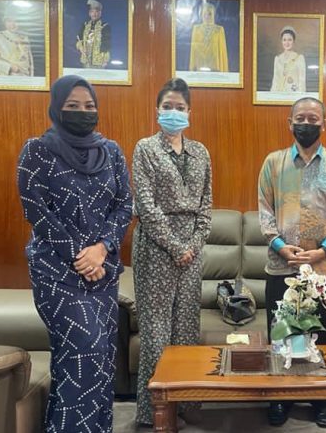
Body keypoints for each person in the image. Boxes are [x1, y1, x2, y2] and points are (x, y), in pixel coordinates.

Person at [17, 75, 132, 432]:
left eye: (89, 106)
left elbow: (124, 205)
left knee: (100, 361)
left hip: (103, 271)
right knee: (84, 352)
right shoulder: (36, 151)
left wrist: (101, 249)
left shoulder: (111, 152)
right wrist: (80, 258)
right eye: (72, 106)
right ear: (56, 108)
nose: (83, 112)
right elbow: (36, 211)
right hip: (56, 273)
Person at [258, 97, 326, 428]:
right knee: (282, 335)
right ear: (290, 123)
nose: (306, 123)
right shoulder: (273, 162)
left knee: (321, 338)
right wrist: (281, 247)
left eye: (313, 118)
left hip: (325, 268)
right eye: (300, 118)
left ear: (324, 124)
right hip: (281, 266)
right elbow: (264, 211)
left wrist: (323, 251)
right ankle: (280, 398)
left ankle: (323, 400)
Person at [132, 77, 213, 427]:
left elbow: (206, 206)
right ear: (157, 110)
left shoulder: (201, 152)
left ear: (190, 112)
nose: (174, 112)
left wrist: (193, 245)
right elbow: (146, 207)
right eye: (168, 106)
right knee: (156, 334)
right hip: (156, 247)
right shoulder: (145, 149)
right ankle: (154, 414)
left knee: (186, 331)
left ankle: (185, 405)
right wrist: (176, 246)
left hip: (191, 251)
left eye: (180, 107)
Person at [0, 8, 33, 76]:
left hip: (25, 76)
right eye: (9, 21)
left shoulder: (25, 37)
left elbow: (30, 61)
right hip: (7, 75)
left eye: (16, 21)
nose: (13, 24)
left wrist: (31, 77)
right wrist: (9, 67)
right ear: (4, 22)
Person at [189, 1, 228, 72]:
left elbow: (222, 52)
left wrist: (224, 71)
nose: (207, 16)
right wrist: (192, 70)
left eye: (209, 14)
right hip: (199, 69)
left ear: (213, 15)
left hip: (215, 69)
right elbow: (193, 52)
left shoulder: (219, 30)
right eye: (205, 14)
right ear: (201, 14)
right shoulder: (196, 29)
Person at [77, 0, 111, 69]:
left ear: (100, 13)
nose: (94, 14)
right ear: (89, 13)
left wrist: (105, 60)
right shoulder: (85, 25)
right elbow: (79, 39)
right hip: (86, 58)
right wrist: (81, 48)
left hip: (99, 60)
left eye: (97, 12)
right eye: (92, 12)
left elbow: (107, 44)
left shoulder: (105, 26)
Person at [270, 26, 306, 93]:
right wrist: (272, 95)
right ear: (281, 41)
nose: (287, 43)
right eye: (284, 40)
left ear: (293, 41)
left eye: (289, 40)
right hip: (279, 94)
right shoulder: (277, 59)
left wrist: (301, 96)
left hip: (294, 94)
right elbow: (275, 80)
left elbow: (302, 81)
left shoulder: (299, 58)